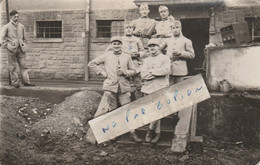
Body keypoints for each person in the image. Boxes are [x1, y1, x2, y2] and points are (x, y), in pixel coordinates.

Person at [88, 36, 142, 143]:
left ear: (121, 45)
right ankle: (114, 133)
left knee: (127, 110)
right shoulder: (106, 55)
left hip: (124, 87)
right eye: (114, 44)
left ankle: (132, 132)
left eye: (118, 44)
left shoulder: (127, 56)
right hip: (111, 86)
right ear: (111, 45)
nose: (116, 46)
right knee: (112, 111)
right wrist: (102, 72)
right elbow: (91, 64)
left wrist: (125, 72)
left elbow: (135, 70)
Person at [161, 20, 195, 152]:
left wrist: (180, 53)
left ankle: (178, 112)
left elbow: (192, 55)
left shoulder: (186, 40)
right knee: (168, 89)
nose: (175, 30)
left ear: (180, 28)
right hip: (168, 68)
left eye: (177, 27)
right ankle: (170, 109)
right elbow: (159, 48)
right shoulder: (168, 40)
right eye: (173, 28)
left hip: (180, 67)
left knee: (179, 90)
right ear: (171, 29)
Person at [141, 39, 171, 144]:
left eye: (154, 46)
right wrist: (156, 73)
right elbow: (143, 75)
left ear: (159, 47)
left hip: (160, 87)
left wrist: (151, 72)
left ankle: (150, 131)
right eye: (150, 46)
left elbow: (166, 70)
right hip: (148, 88)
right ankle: (157, 133)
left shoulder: (165, 58)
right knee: (151, 111)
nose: (152, 48)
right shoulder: (146, 60)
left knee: (158, 110)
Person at [0, 10, 35, 88]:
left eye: (17, 16)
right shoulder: (6, 26)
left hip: (21, 50)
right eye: (14, 16)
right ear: (11, 17)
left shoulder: (21, 26)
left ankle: (26, 82)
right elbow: (1, 38)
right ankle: (15, 83)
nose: (16, 18)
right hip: (11, 50)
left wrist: (24, 45)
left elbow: (25, 37)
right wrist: (7, 46)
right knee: (12, 67)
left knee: (23, 66)